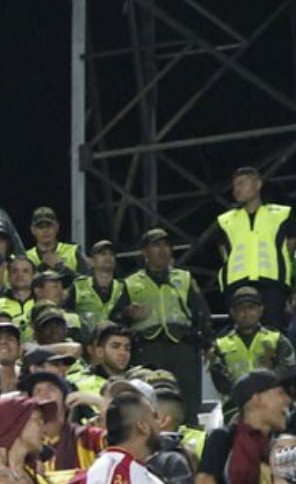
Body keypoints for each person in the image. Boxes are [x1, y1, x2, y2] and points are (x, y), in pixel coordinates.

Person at [124, 228, 213, 425]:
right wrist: (127, 313)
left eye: (166, 245)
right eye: (156, 245)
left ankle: (190, 435)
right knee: (149, 398)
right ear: (145, 252)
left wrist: (208, 343)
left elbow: (201, 312)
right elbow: (117, 318)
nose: (163, 250)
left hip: (183, 348)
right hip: (148, 349)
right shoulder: (130, 283)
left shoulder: (184, 279)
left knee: (188, 399)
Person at [195, 369, 290, 484]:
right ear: (256, 398)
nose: (287, 401)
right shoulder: (223, 439)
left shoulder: (283, 445)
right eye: (280, 393)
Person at [216, 166, 294, 332]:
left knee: (272, 335)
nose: (237, 189)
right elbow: (223, 251)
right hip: (237, 285)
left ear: (257, 184)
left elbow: (291, 246)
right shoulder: (225, 220)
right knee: (239, 336)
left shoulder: (281, 214)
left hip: (272, 284)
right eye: (235, 185)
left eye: (242, 183)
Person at [210, 286, 294, 399]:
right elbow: (220, 381)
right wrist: (245, 393)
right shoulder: (220, 345)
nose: (247, 312)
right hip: (235, 404)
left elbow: (289, 370)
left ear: (260, 310)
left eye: (251, 307)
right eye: (241, 308)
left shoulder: (277, 339)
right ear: (233, 312)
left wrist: (263, 386)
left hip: (271, 402)